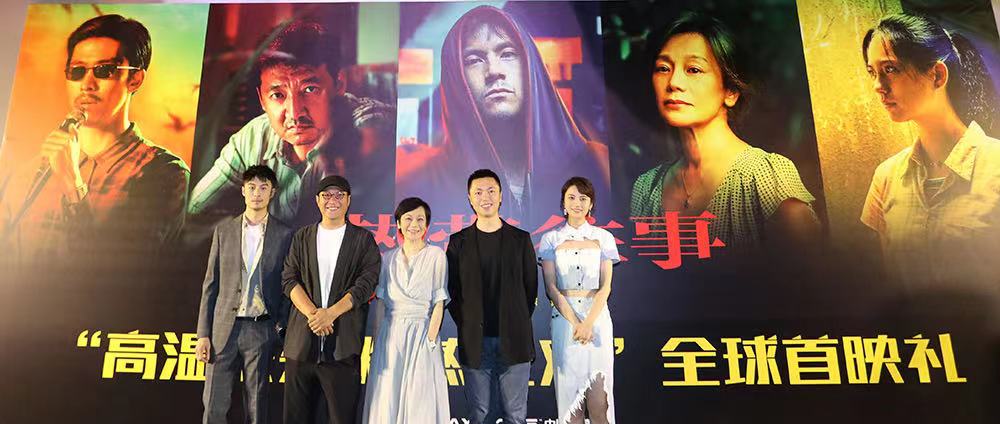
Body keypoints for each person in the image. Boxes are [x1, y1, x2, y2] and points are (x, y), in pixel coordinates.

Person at [397, 5, 610, 226]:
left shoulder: (597, 164)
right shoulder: (421, 182)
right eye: (474, 60)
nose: (494, 71)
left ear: (530, 65)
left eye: (508, 54)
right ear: (456, 78)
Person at [6, 14, 189, 260]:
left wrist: (73, 185)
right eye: (77, 71)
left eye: (104, 70)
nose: (87, 84)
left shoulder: (164, 174)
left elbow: (121, 273)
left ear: (135, 79)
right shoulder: (30, 173)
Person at [630, 12, 819, 248]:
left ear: (731, 91)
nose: (673, 82)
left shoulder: (764, 176)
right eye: (663, 68)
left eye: (693, 69)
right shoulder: (645, 188)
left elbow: (814, 265)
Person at [188, 21, 394, 230]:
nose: (295, 113)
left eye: (310, 89)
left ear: (339, 85)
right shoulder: (252, 138)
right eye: (278, 95)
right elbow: (195, 211)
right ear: (261, 100)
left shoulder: (369, 125)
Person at [859, 13, 1000, 294]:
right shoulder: (886, 177)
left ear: (937, 75)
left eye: (890, 69)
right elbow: (887, 284)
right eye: (872, 72)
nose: (877, 86)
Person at [267, 175, 381, 424]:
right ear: (317, 201)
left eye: (339, 195)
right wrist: (314, 314)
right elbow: (289, 278)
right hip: (301, 344)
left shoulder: (362, 239)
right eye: (326, 195)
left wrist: (330, 313)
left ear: (348, 200)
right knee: (295, 421)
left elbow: (366, 283)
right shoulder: (302, 236)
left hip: (343, 345)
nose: (332, 200)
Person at [188, 165, 293, 424]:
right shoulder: (224, 230)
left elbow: (289, 286)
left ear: (272, 192)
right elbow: (210, 285)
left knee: (256, 413)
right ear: (243, 191)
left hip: (261, 331)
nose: (257, 193)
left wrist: (279, 329)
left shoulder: (284, 234)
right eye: (251, 186)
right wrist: (203, 334)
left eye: (264, 187)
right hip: (223, 331)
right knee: (213, 412)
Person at [446, 169, 537, 424]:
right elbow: (453, 294)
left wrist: (512, 322)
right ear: (470, 199)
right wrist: (471, 325)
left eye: (491, 191)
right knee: (479, 418)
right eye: (478, 192)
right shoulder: (458, 242)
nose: (485, 197)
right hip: (475, 344)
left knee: (516, 419)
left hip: (514, 343)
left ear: (501, 196)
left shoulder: (520, 239)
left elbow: (530, 292)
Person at [358, 197, 455, 424]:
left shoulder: (437, 256)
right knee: (390, 411)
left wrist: (431, 340)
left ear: (427, 225)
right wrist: (377, 343)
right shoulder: (387, 258)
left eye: (420, 220)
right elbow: (381, 304)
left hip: (422, 336)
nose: (414, 225)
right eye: (408, 219)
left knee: (420, 414)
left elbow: (439, 303)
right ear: (398, 224)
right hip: (391, 339)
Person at [538, 177, 619, 424]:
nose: (577, 203)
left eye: (583, 198)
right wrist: (575, 322)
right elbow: (551, 288)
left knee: (599, 405)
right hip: (565, 323)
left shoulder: (603, 238)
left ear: (591, 204)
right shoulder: (550, 239)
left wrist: (589, 323)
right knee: (572, 410)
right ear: (563, 202)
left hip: (598, 322)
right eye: (572, 197)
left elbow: (605, 286)